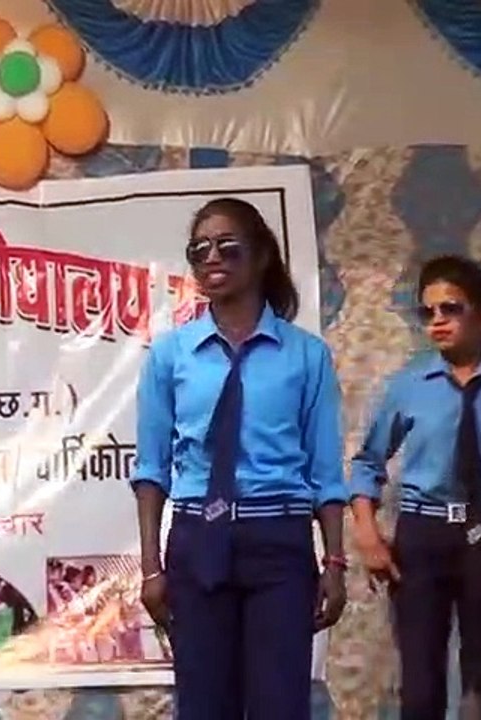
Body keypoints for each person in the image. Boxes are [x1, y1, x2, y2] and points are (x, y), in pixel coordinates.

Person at [132, 198, 348, 719]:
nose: (212, 258)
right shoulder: (170, 354)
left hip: (279, 541)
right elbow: (151, 470)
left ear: (261, 257)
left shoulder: (306, 354)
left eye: (228, 246)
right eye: (199, 249)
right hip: (197, 540)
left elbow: (325, 471)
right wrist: (150, 568)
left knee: (280, 706)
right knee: (205, 706)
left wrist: (335, 562)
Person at [350, 255, 481, 719]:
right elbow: (367, 462)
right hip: (423, 538)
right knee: (419, 683)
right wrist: (368, 533)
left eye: (450, 308)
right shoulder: (407, 386)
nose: (437, 321)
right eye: (427, 312)